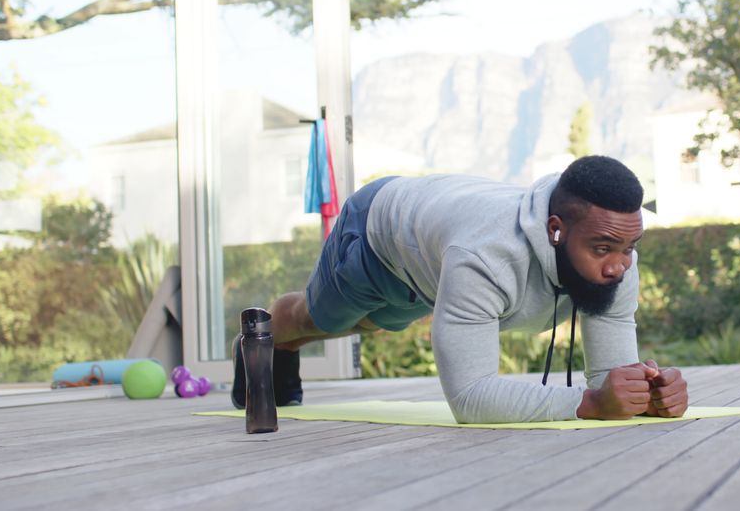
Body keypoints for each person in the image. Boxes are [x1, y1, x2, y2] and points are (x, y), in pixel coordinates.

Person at [232, 155, 688, 423]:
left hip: (432, 259)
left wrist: (644, 395)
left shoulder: (617, 257)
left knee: (371, 326)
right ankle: (267, 337)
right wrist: (590, 403)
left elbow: (610, 377)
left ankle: (283, 343)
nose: (619, 266)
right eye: (605, 247)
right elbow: (470, 399)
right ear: (555, 230)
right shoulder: (485, 256)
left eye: (630, 246)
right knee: (320, 320)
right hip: (377, 236)